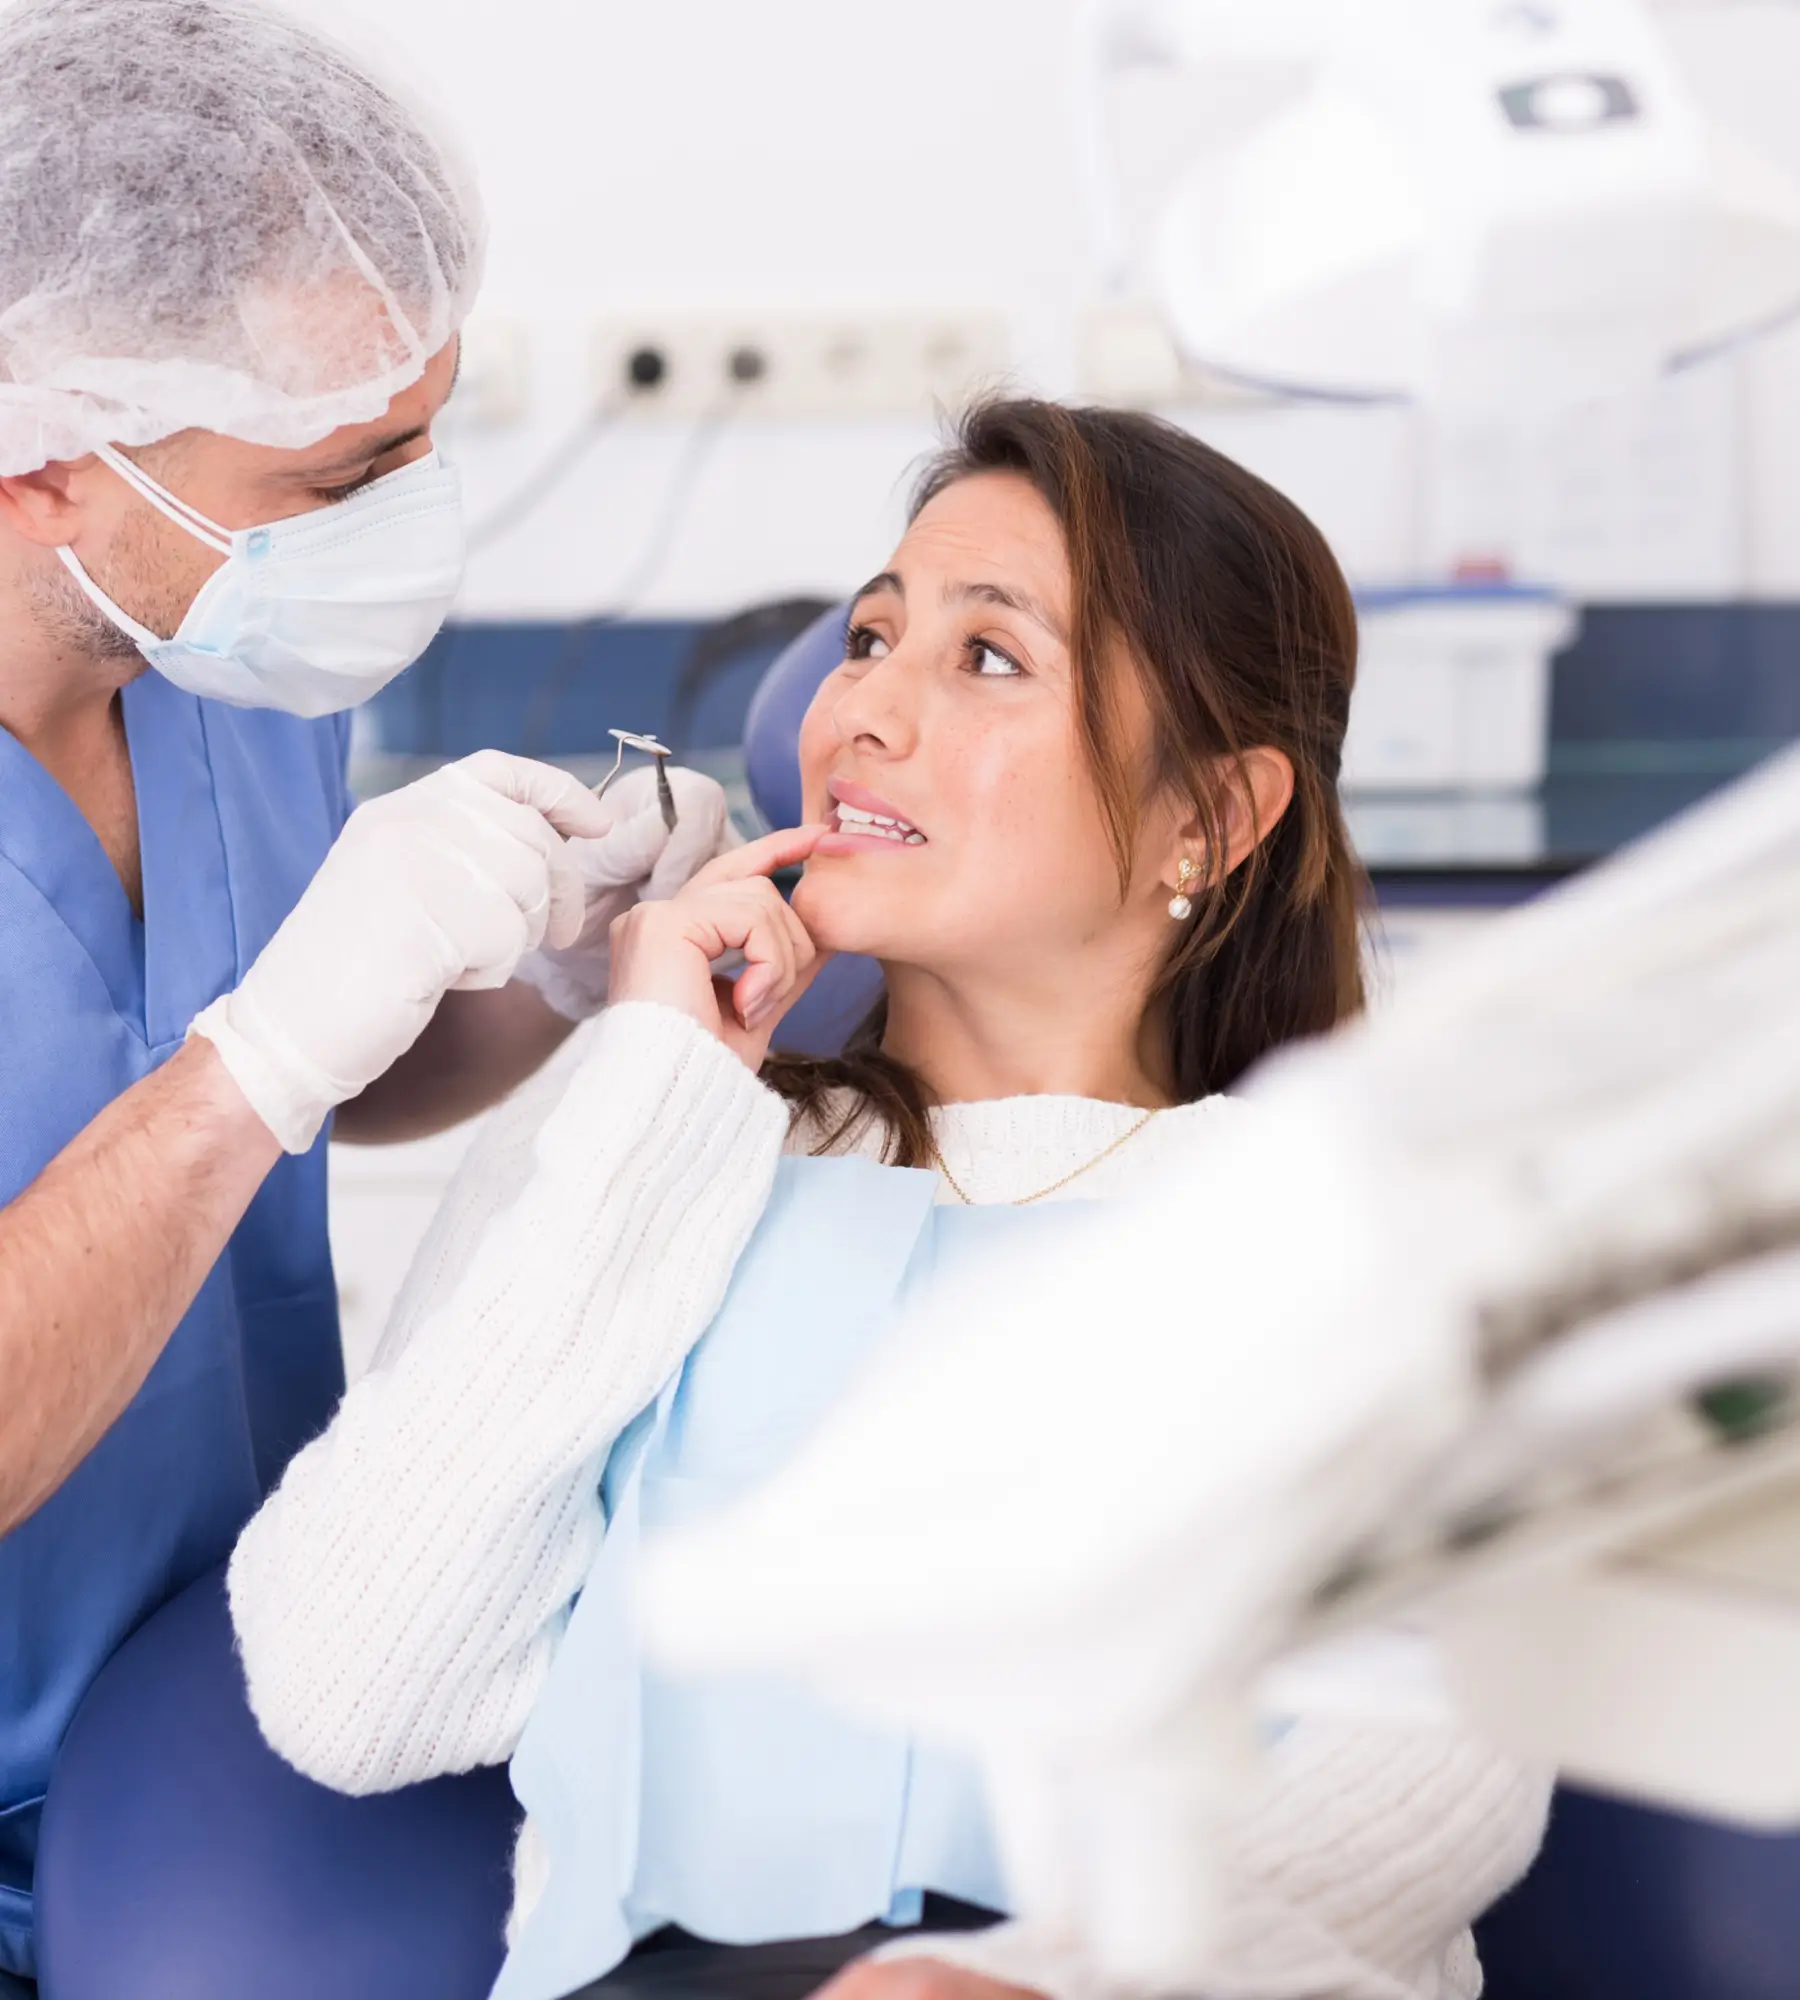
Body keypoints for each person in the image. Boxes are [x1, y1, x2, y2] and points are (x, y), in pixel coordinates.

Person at [212, 399, 1551, 2000]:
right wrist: (652, 1078)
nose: (864, 712)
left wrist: (1076, 1976)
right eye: (869, 636)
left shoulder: (1357, 1219)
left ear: (1211, 813)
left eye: (989, 658)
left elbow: (1438, 1748)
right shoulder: (652, 1136)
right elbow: (351, 1690)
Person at [0, 1, 732, 1987]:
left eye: (429, 430)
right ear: (51, 463)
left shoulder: (224, 650)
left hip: (240, 1733)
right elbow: (241, 1071)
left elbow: (311, 1089)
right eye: (351, 470)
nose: (414, 509)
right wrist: (263, 1047)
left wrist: (549, 984)